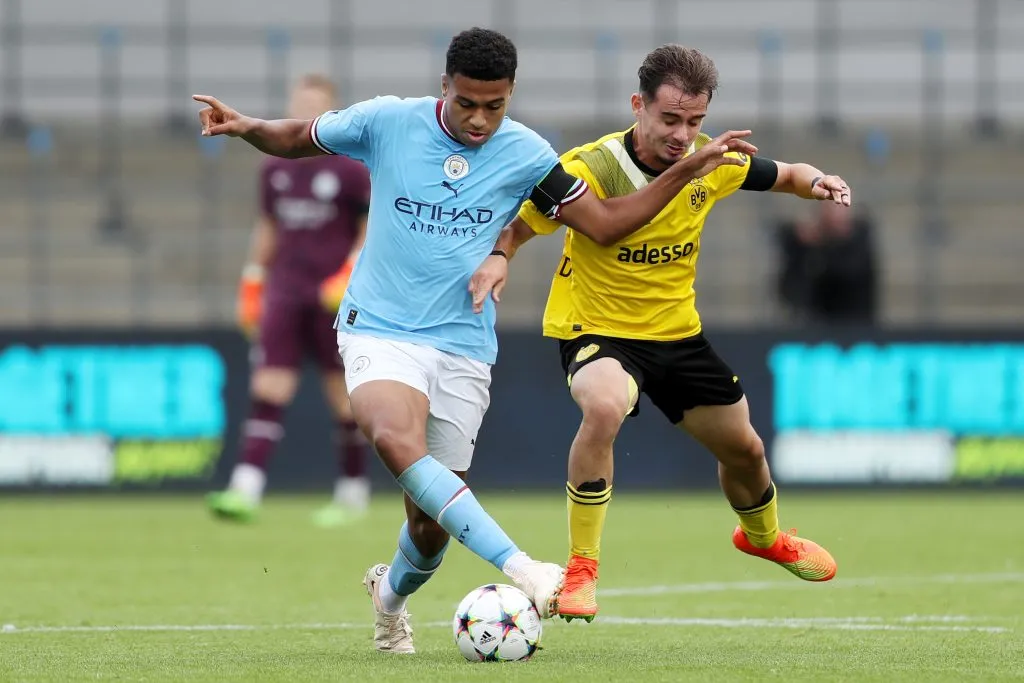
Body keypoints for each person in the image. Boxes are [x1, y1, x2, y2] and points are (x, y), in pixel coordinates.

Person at [194, 28, 755, 653]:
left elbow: (605, 225)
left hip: (462, 341)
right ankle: (523, 567)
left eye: (495, 105)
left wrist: (688, 170)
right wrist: (245, 126)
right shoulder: (388, 122)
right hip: (379, 327)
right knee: (392, 436)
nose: (480, 119)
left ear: (510, 95)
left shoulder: (529, 155)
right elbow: (299, 137)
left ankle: (389, 597)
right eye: (467, 103)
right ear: (445, 88)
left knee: (430, 526)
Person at [473, 44, 847, 624]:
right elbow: (521, 227)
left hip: (677, 335)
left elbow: (787, 174)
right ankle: (581, 570)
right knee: (604, 405)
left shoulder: (712, 160)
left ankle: (765, 537)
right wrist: (500, 256)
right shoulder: (589, 167)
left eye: (694, 122)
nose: (682, 134)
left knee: (745, 450)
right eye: (670, 119)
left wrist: (820, 181)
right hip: (596, 327)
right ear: (638, 106)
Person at [206, 74, 373, 528]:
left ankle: (352, 491)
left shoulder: (351, 167)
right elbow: (268, 226)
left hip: (334, 298)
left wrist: (349, 271)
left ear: (333, 111)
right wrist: (253, 280)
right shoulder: (274, 164)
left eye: (316, 103)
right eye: (300, 100)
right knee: (269, 387)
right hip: (286, 289)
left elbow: (367, 227)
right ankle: (245, 488)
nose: (305, 108)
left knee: (343, 398)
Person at [776, 200, 878, 323]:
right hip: (816, 323)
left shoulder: (860, 240)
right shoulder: (807, 248)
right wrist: (802, 244)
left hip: (855, 323)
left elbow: (848, 273)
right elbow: (790, 288)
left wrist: (821, 245)